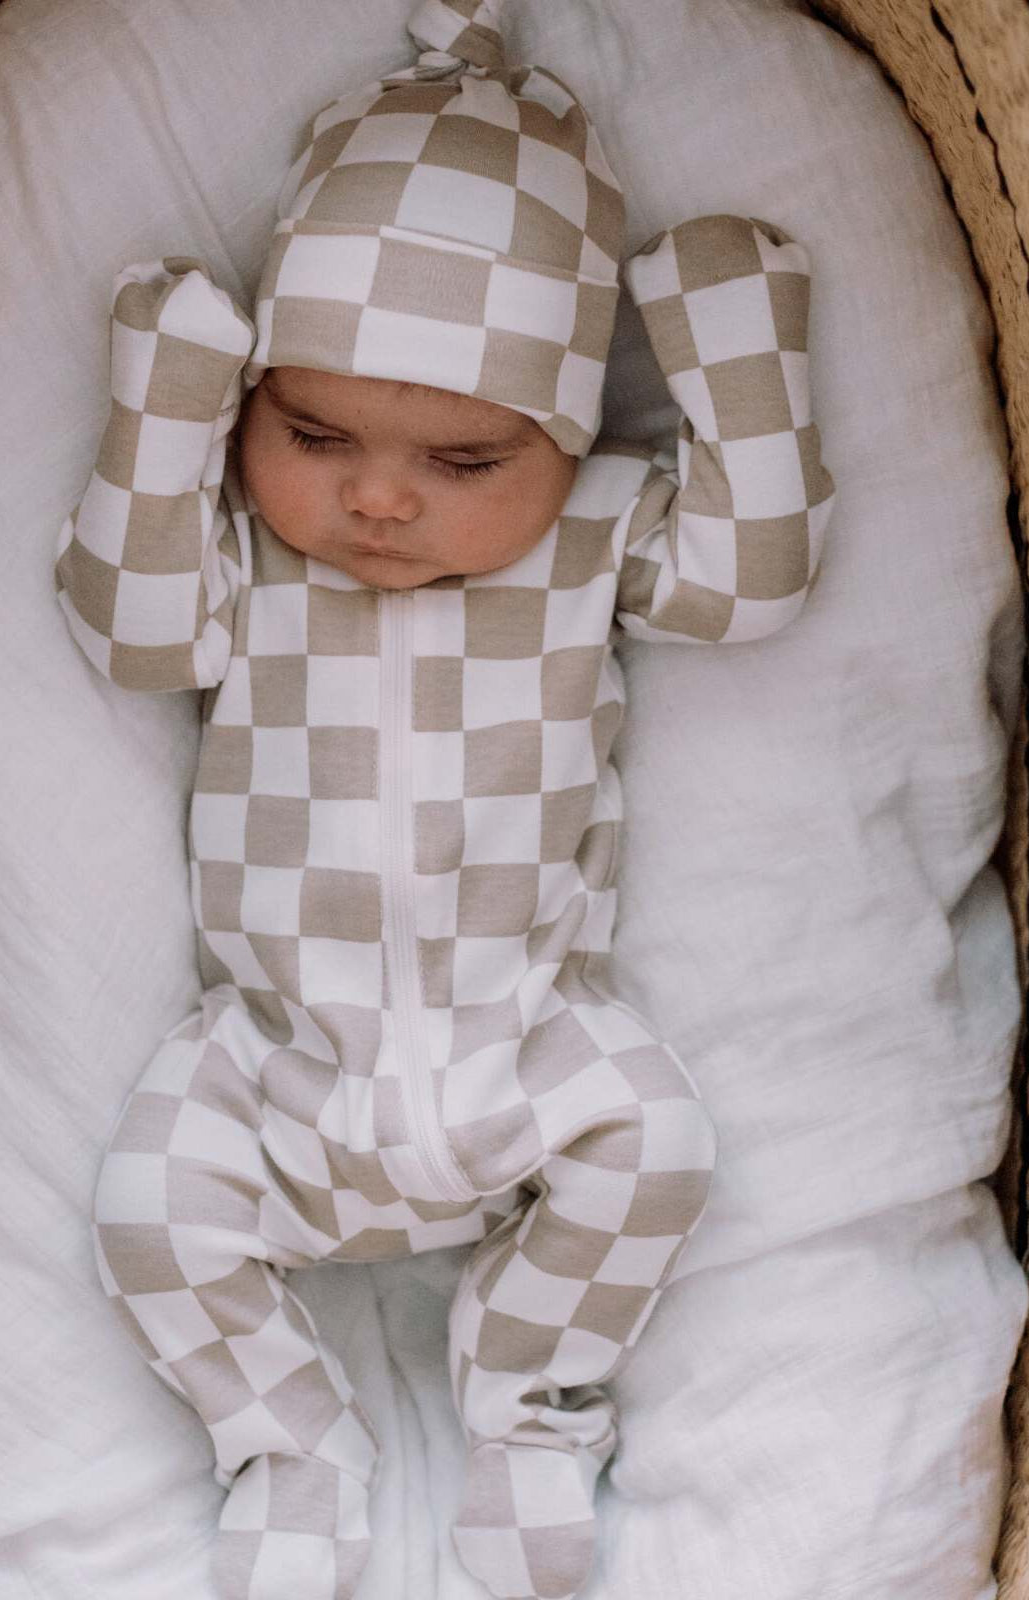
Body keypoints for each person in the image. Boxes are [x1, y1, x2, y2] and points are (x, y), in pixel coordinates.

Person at [55, 2, 835, 1595]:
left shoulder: (596, 533)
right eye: (313, 430)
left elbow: (753, 586)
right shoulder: (255, 554)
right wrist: (167, 407)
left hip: (525, 1036)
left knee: (660, 1147)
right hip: (277, 1056)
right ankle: (288, 1439)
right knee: (146, 1208)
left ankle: (533, 1404)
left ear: (566, 435)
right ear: (256, 401)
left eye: (468, 459)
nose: (380, 496)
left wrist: (736, 353)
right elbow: (132, 633)